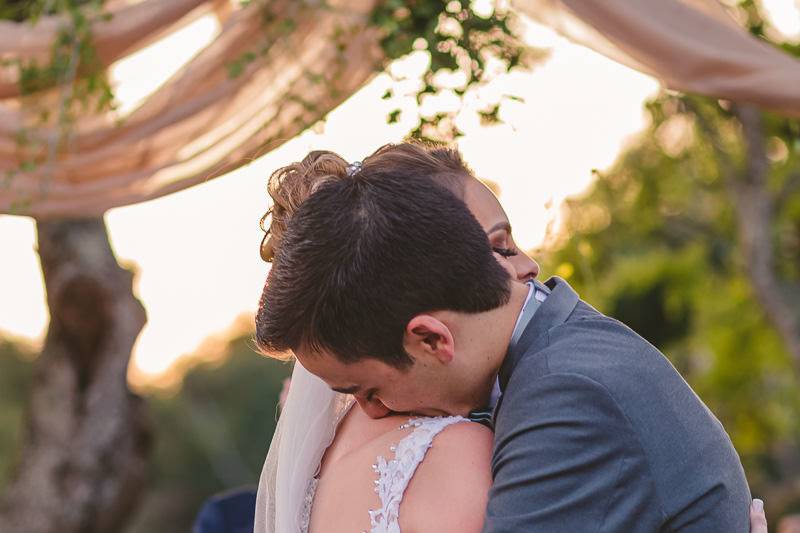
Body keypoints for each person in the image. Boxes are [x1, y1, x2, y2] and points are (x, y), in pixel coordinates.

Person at [255, 142, 765, 532]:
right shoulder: (549, 360)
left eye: (367, 390)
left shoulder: (568, 398)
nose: (372, 413)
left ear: (431, 340)